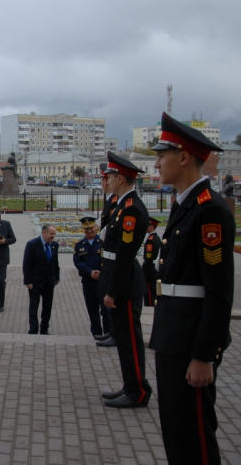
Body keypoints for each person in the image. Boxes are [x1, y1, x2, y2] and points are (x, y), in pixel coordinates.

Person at [150, 112, 233, 464]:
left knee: (194, 435)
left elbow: (218, 291)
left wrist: (204, 356)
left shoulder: (209, 210)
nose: (156, 165)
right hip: (173, 333)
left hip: (190, 341)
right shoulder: (185, 204)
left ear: (183, 157)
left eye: (161, 156)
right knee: (175, 429)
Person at [98, 152, 152, 409]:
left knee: (130, 340)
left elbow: (124, 256)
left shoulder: (131, 210)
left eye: (109, 176)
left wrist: (112, 291)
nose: (106, 180)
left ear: (120, 178)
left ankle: (137, 391)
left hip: (125, 283)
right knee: (123, 338)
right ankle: (131, 385)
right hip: (117, 278)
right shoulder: (122, 205)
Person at [72, 217, 111, 340]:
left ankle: (108, 333)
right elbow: (77, 261)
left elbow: (109, 260)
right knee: (92, 310)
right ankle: (97, 333)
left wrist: (101, 273)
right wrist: (90, 272)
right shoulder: (79, 245)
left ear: (96, 228)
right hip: (88, 282)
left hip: (103, 282)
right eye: (86, 228)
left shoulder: (103, 243)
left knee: (106, 310)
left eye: (91, 228)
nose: (89, 231)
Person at [22, 224, 60, 334]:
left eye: (54, 234)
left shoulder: (55, 245)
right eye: (51, 234)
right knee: (34, 307)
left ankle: (44, 328)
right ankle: (33, 329)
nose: (53, 236)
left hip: (49, 282)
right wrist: (28, 281)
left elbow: (55, 263)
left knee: (47, 307)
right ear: (44, 232)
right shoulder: (32, 244)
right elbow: (27, 264)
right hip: (35, 282)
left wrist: (56, 277)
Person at [142, 217, 161, 307]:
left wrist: (144, 271)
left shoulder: (151, 240)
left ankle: (150, 305)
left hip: (150, 269)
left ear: (151, 227)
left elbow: (148, 258)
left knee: (149, 291)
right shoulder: (156, 238)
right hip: (154, 268)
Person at [99, 164, 118, 230]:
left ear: (106, 181)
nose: (101, 183)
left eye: (101, 179)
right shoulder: (111, 199)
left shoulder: (114, 201)